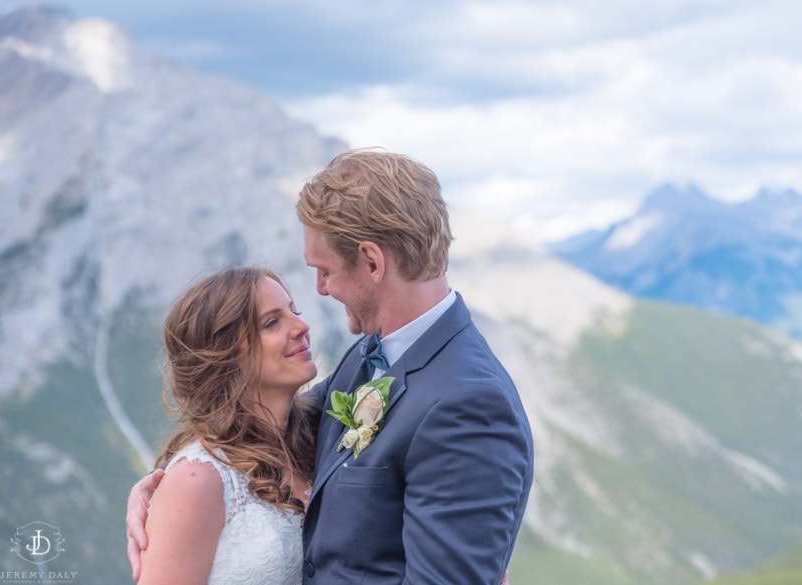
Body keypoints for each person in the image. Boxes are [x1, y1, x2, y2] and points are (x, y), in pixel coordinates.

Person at [128, 149, 534, 584]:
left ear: (373, 261)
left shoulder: (469, 403)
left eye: (324, 271)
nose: (320, 291)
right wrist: (174, 490)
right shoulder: (367, 357)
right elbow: (267, 417)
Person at [136, 266, 319, 585]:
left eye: (294, 311)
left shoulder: (319, 435)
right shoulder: (197, 480)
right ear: (227, 354)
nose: (302, 326)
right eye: (272, 322)